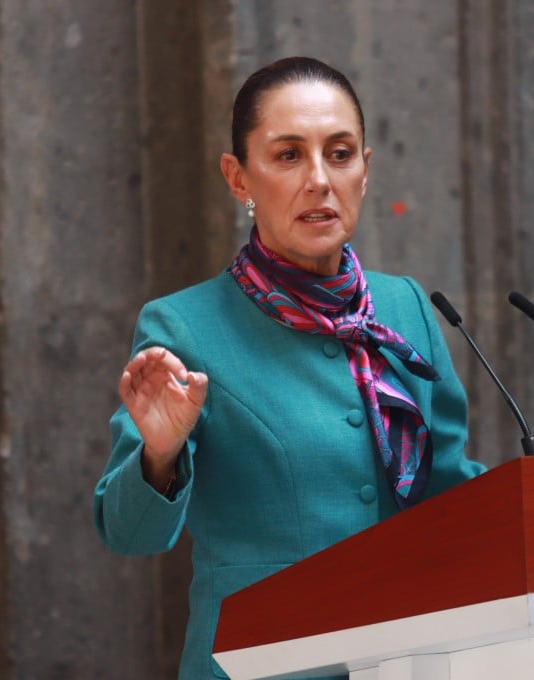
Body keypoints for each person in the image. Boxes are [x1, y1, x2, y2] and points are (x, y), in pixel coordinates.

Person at [93, 56, 486, 680]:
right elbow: (128, 534)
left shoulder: (406, 309)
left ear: (365, 169)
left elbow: (451, 492)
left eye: (339, 153)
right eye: (287, 156)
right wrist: (159, 456)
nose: (319, 179)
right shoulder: (183, 328)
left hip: (409, 661)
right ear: (238, 177)